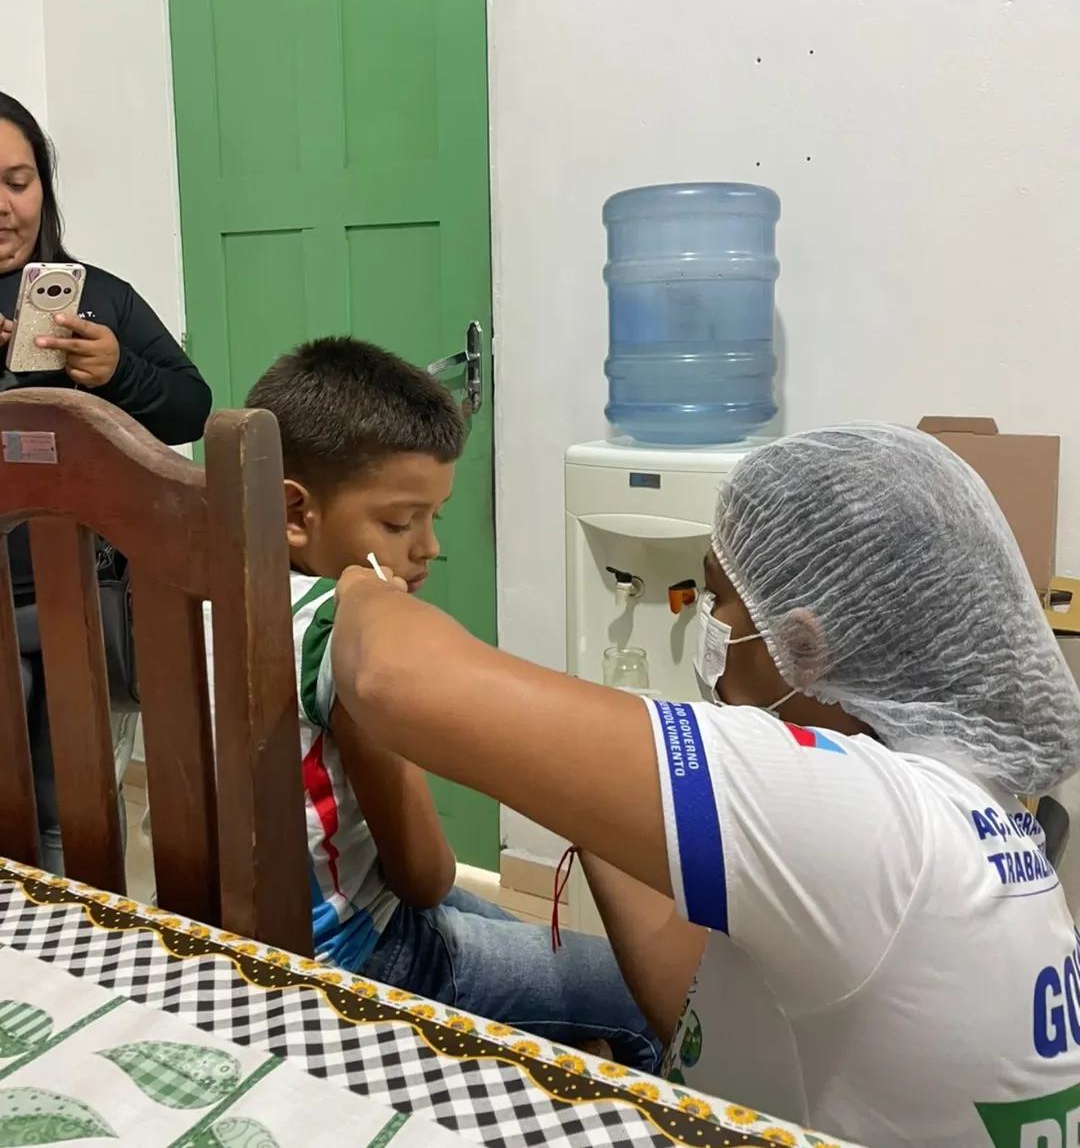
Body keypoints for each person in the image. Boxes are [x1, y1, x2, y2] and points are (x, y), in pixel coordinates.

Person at [328, 425, 1080, 1148]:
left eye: (717, 597)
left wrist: (361, 581)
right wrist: (583, 792)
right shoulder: (962, 803)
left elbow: (392, 676)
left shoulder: (863, 812)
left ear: (805, 644)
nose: (707, 621)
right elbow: (699, 1009)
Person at [231, 337, 659, 1070]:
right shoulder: (340, 634)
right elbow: (425, 879)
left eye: (435, 517)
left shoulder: (197, 581)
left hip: (272, 912)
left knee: (532, 944)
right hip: (358, 953)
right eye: (400, 523)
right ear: (295, 512)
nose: (428, 547)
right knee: (643, 998)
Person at [0, 92, 212, 875]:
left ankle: (80, 937)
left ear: (43, 187)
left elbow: (191, 406)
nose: (3, 206)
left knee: (76, 817)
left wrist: (118, 371)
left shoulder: (101, 297)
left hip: (80, 602)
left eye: (18, 181)